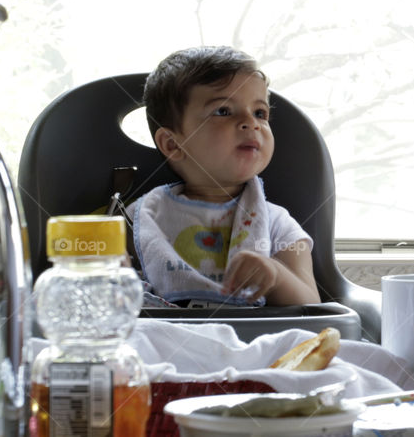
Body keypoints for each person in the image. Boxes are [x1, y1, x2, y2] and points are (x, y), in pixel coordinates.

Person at [132, 45, 320, 307]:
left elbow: (311, 306)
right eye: (223, 111)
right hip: (165, 340)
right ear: (173, 144)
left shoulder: (277, 225)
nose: (251, 123)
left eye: (259, 113)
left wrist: (276, 276)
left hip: (253, 343)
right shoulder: (141, 219)